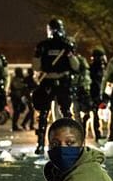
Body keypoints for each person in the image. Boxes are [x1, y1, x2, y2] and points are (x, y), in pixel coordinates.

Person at [32, 18, 79, 154]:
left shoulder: (60, 45)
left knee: (61, 113)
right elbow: (75, 66)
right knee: (49, 113)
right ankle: (42, 143)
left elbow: (36, 66)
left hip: (58, 80)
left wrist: (69, 54)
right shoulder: (46, 45)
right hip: (51, 81)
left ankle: (65, 143)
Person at [88, 47, 107, 142]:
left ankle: (97, 133)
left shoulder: (100, 68)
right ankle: (97, 134)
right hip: (95, 93)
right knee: (94, 114)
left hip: (97, 92)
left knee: (94, 114)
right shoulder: (95, 68)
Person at [70, 52, 92, 129]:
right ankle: (80, 127)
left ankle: (80, 127)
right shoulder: (85, 72)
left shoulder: (77, 74)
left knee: (77, 111)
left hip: (78, 89)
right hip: (83, 89)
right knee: (81, 110)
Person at [9, 67, 27, 131]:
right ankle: (14, 125)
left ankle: (15, 125)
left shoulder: (20, 79)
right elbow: (17, 86)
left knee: (18, 111)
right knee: (16, 111)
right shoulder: (15, 79)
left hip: (18, 97)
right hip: (16, 97)